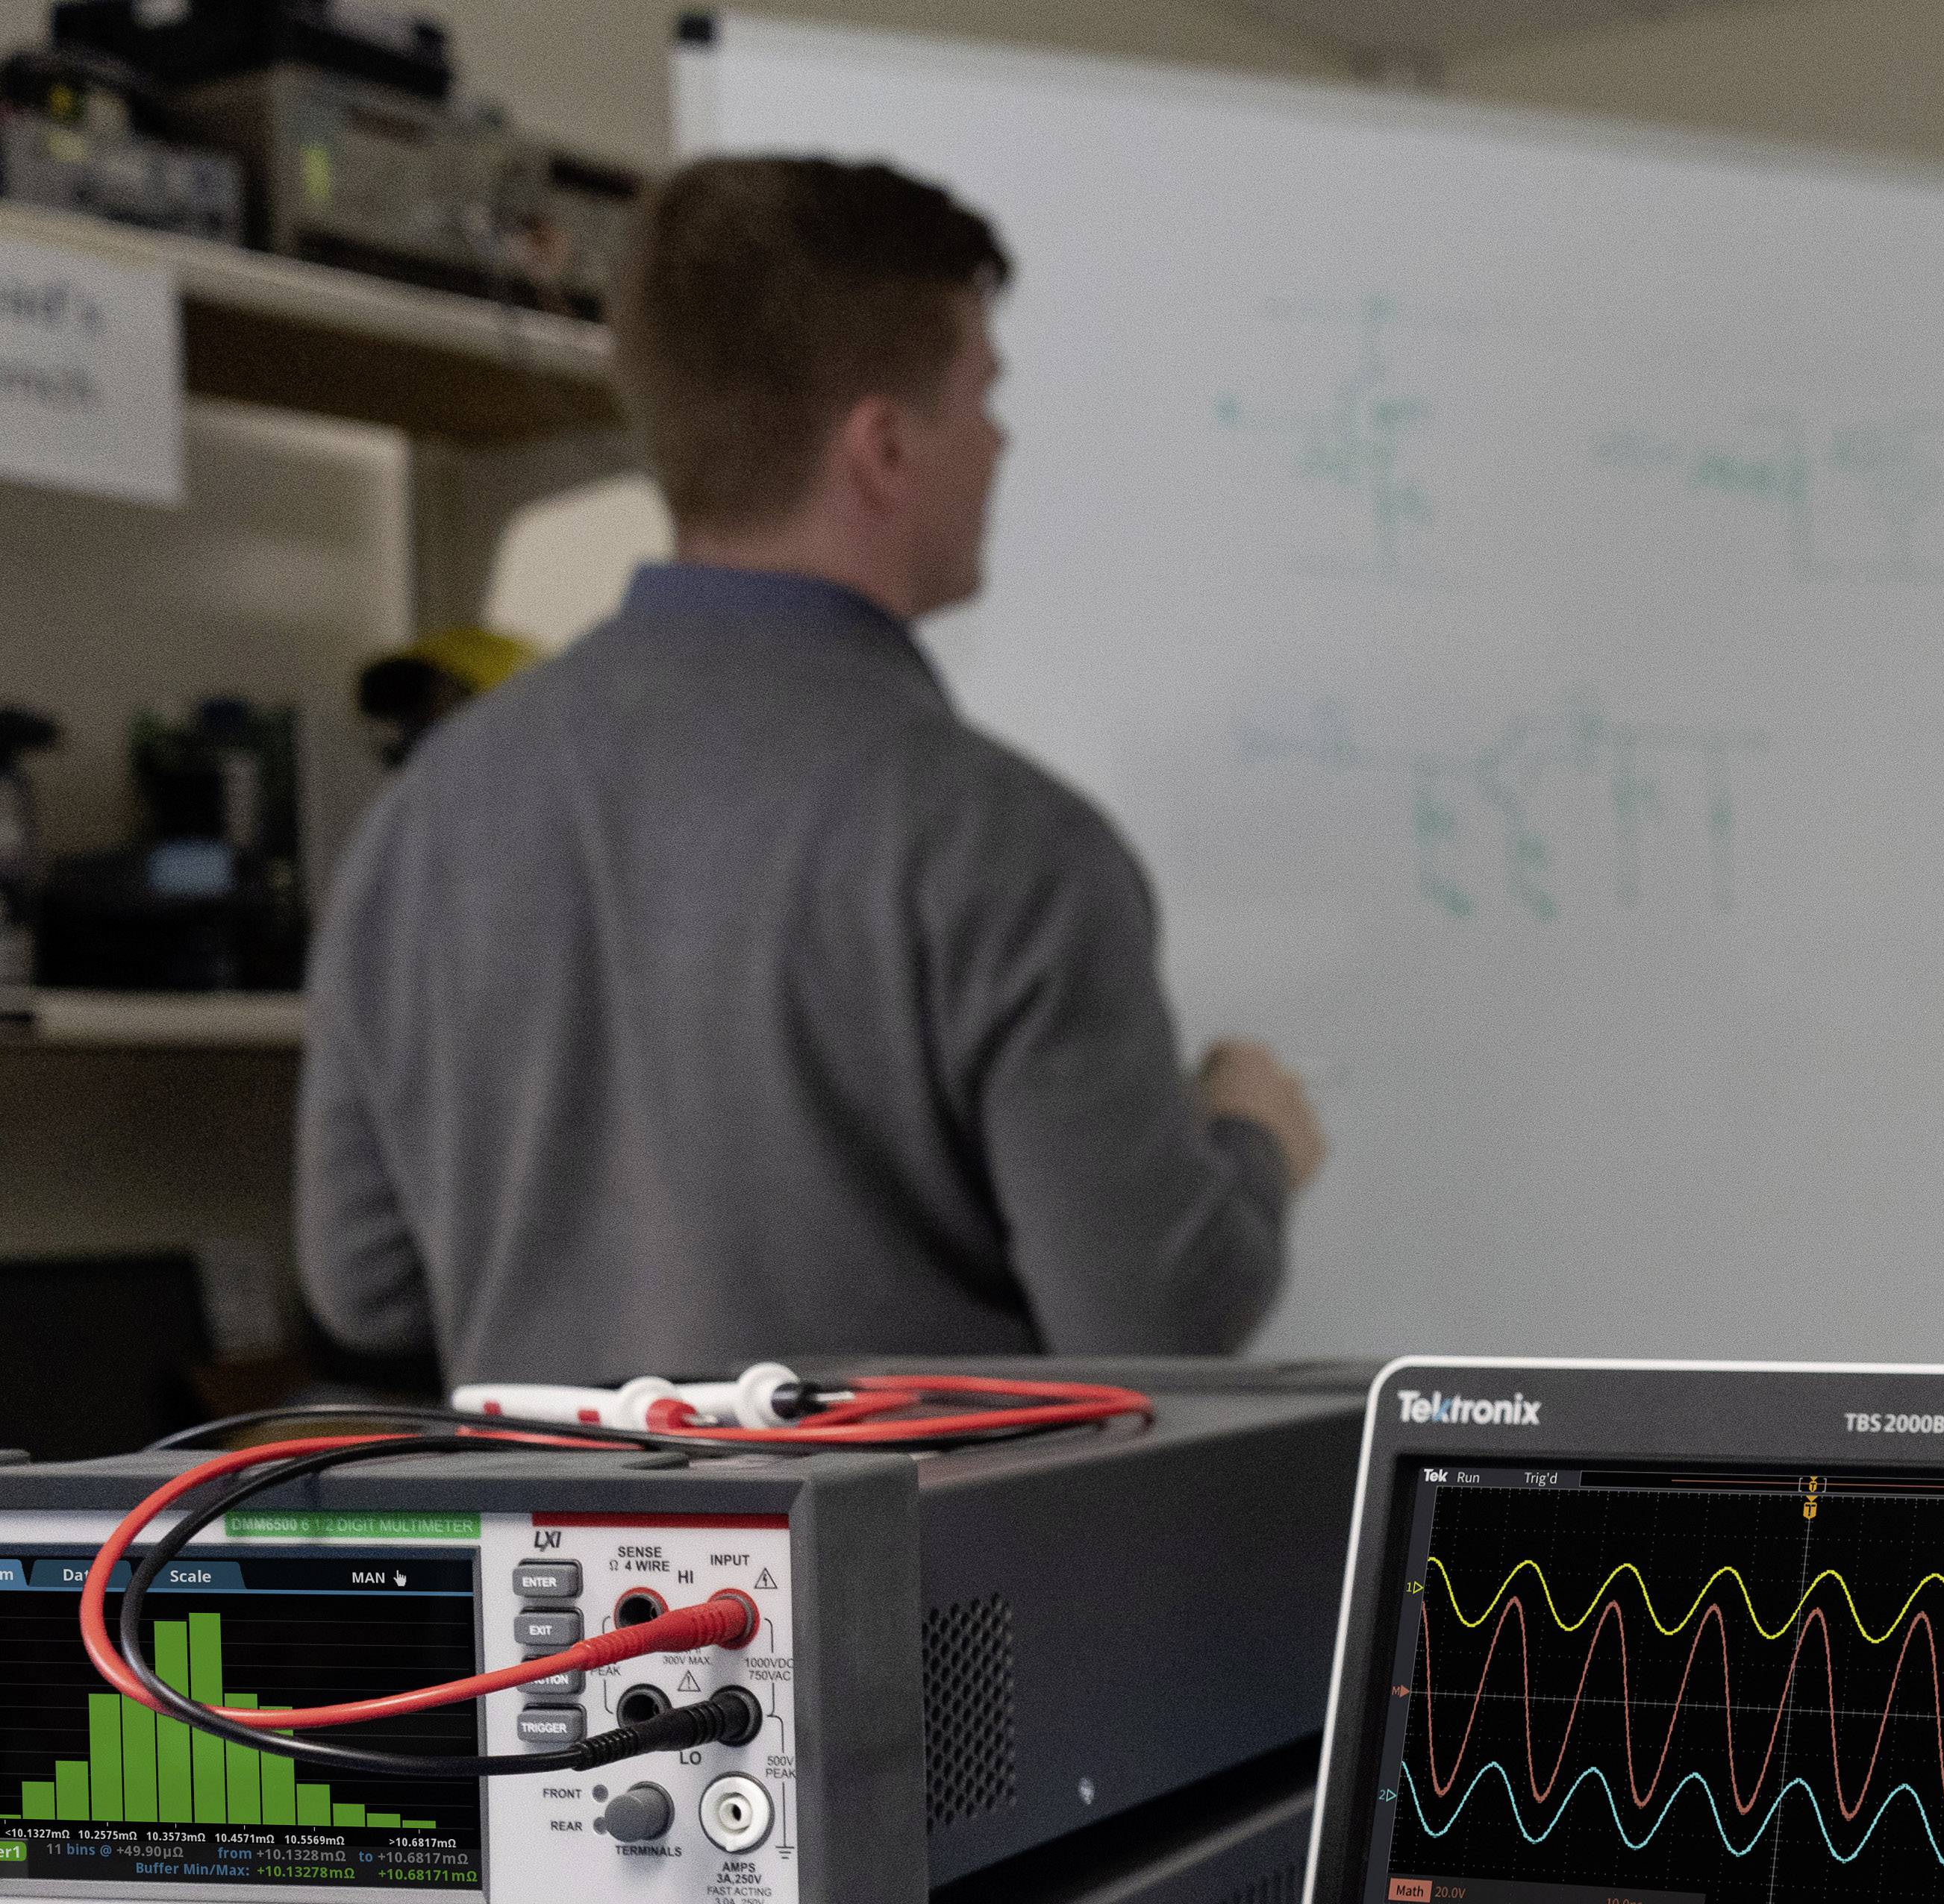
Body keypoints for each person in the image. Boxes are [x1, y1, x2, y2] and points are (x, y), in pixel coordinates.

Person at [299, 157, 1322, 1387]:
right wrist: (1252, 1140)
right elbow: (1154, 1324)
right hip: (932, 1579)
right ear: (884, 448)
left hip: (553, 1573)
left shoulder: (426, 815)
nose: (1000, 443)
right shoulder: (1009, 846)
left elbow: (363, 1283)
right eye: (981, 398)